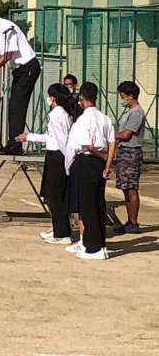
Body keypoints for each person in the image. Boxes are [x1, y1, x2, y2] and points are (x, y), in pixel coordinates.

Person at [0, 10, 41, 155]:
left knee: (17, 106)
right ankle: (12, 142)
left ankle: (15, 145)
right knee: (13, 107)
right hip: (19, 71)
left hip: (28, 67)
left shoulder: (7, 29)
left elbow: (6, 57)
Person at [16, 84, 74, 244]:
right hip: (55, 155)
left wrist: (69, 162)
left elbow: (62, 141)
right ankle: (57, 228)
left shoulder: (57, 114)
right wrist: (30, 137)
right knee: (50, 195)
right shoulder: (61, 113)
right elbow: (51, 137)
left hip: (58, 157)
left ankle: (62, 233)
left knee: (55, 196)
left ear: (53, 98)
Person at [64, 82, 115, 260]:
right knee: (98, 203)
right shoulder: (105, 118)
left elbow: (87, 146)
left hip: (86, 162)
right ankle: (98, 244)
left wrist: (69, 167)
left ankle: (94, 248)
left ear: (82, 98)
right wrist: (107, 164)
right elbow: (112, 142)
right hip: (100, 164)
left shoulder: (83, 120)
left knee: (87, 206)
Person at [115, 81, 146, 234]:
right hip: (124, 152)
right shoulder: (130, 111)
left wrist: (109, 134)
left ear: (131, 96)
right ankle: (129, 220)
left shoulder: (137, 112)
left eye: (123, 96)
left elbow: (126, 134)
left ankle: (133, 222)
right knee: (125, 187)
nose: (122, 99)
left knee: (131, 188)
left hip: (131, 152)